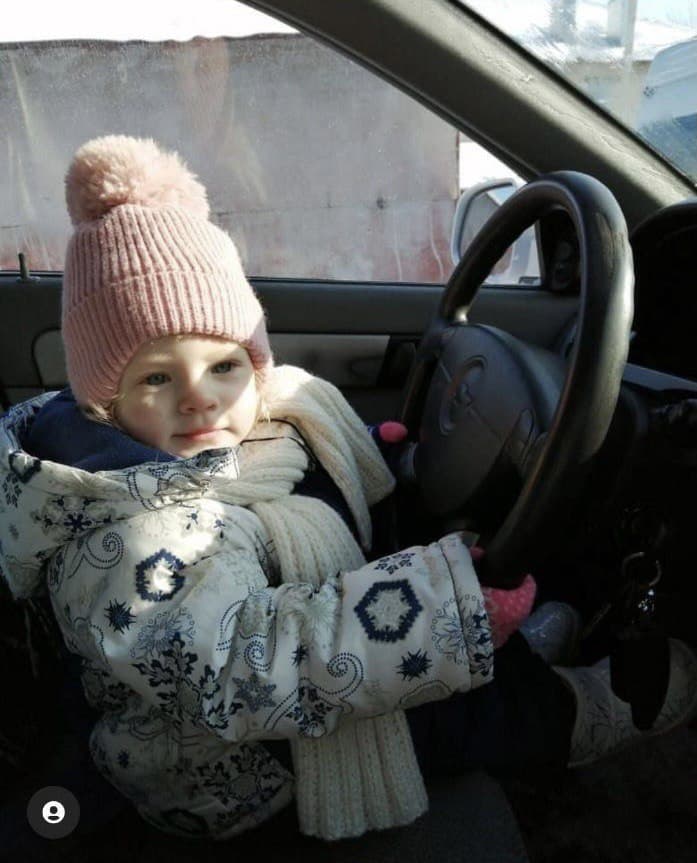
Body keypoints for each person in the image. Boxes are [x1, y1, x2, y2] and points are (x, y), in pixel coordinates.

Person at [0, 136, 695, 843]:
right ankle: (571, 717)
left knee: (432, 626)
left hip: (292, 671)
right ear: (104, 402)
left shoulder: (243, 427)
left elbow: (291, 460)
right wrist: (445, 609)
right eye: (157, 377)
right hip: (227, 764)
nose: (200, 398)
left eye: (223, 364)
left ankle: (501, 656)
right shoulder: (130, 538)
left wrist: (376, 456)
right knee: (438, 715)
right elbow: (245, 664)